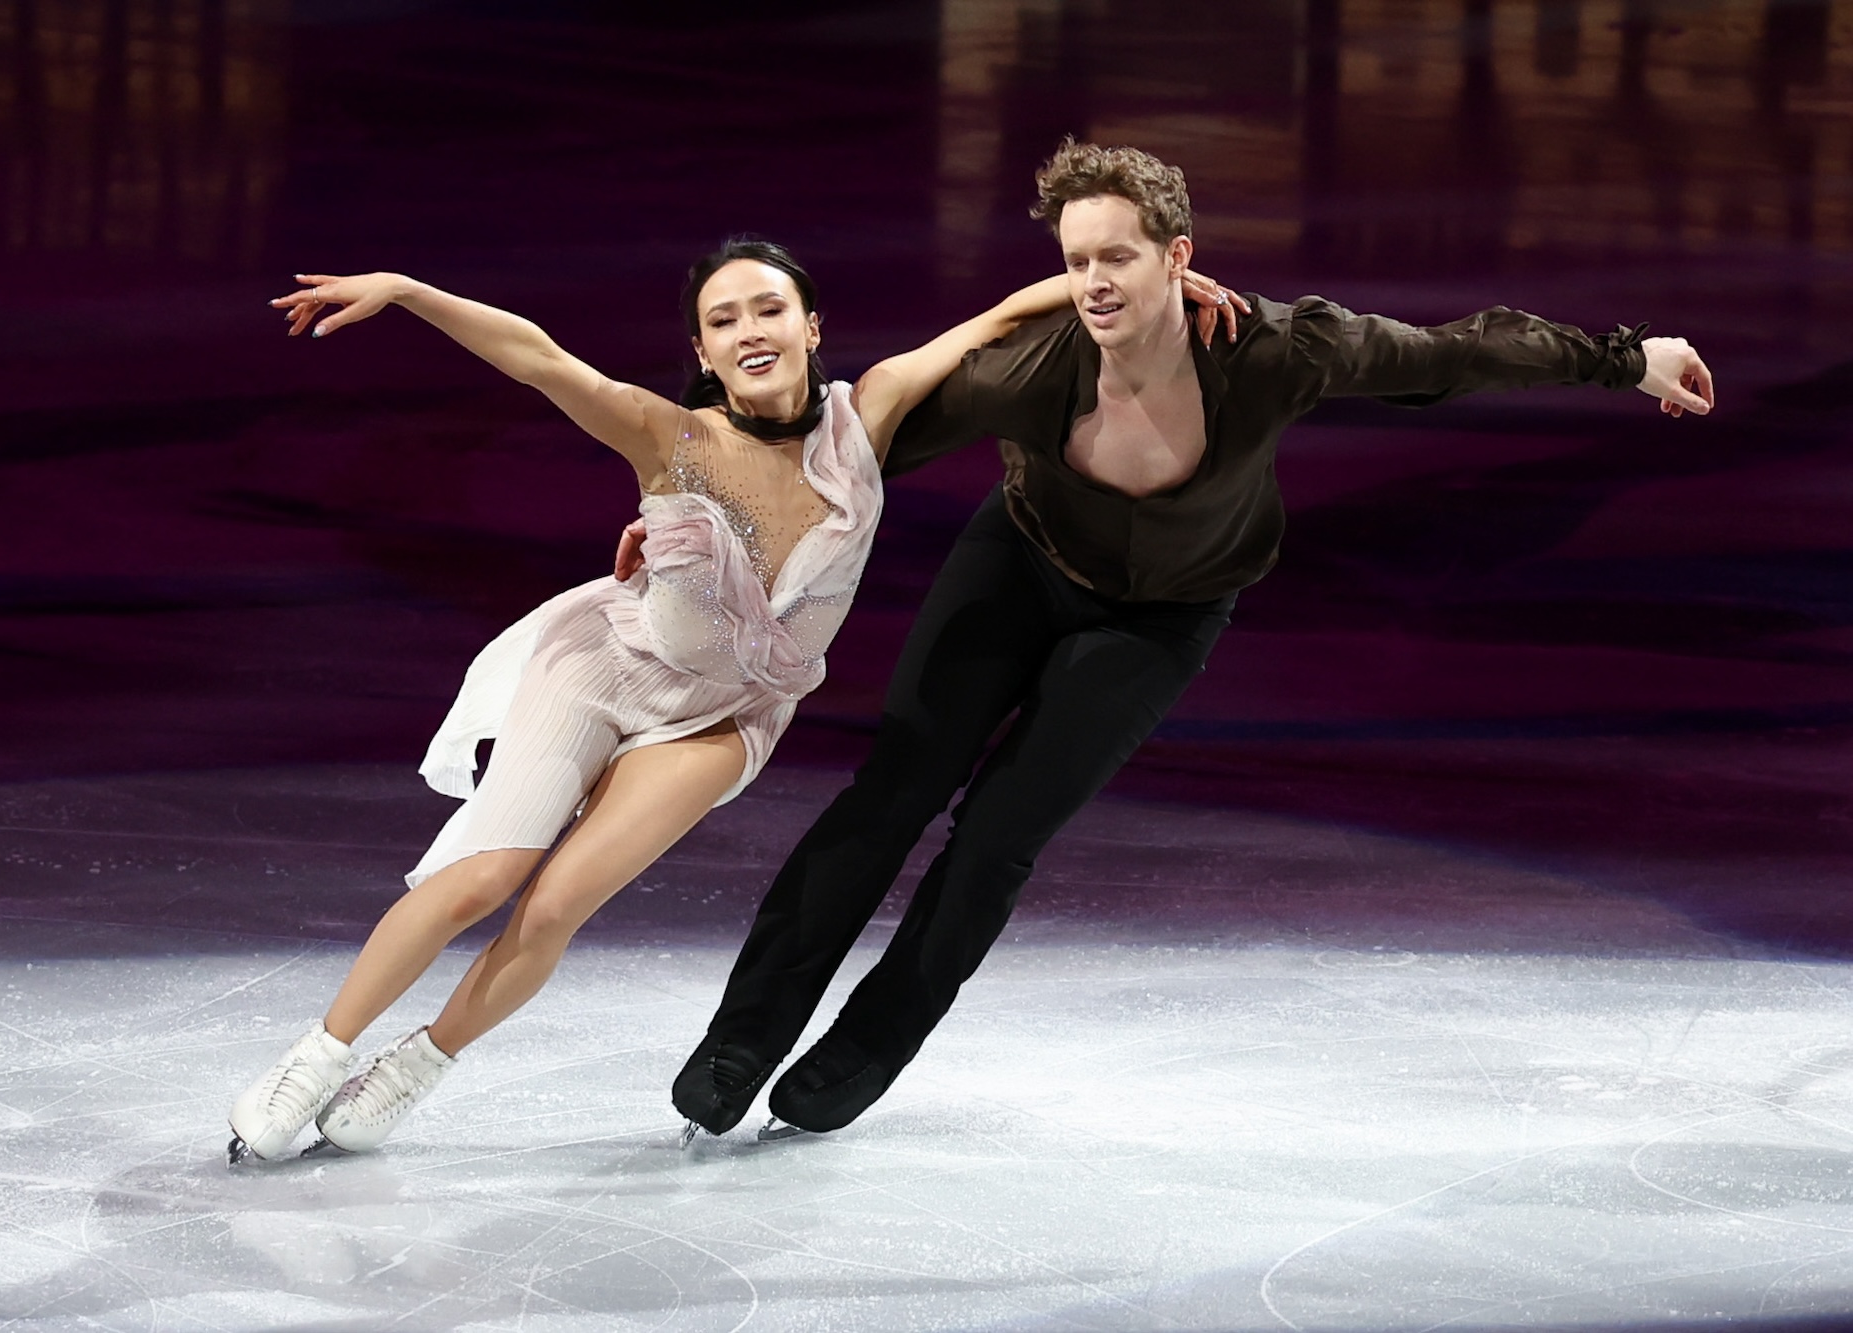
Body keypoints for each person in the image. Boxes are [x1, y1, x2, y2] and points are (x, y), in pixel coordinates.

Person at [666, 139, 1716, 1140]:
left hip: (1162, 617)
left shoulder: (1273, 351)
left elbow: (1448, 353)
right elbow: (843, 462)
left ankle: (862, 1052)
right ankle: (739, 1041)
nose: (1093, 284)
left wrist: (1626, 358)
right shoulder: (1024, 373)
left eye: (1116, 257)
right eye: (1075, 261)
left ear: (1177, 256)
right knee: (893, 789)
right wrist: (690, 523)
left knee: (995, 837)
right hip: (1018, 567)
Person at [224, 240, 1240, 1161]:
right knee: (479, 880)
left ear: (810, 327)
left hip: (724, 715)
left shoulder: (867, 415)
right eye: (723, 319)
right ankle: (316, 1056)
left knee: (560, 904)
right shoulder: (667, 434)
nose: (749, 330)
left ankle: (417, 1064)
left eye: (768, 309)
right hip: (603, 669)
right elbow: (538, 358)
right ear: (704, 352)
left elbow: (998, 320)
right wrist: (408, 289)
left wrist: (1133, 283)